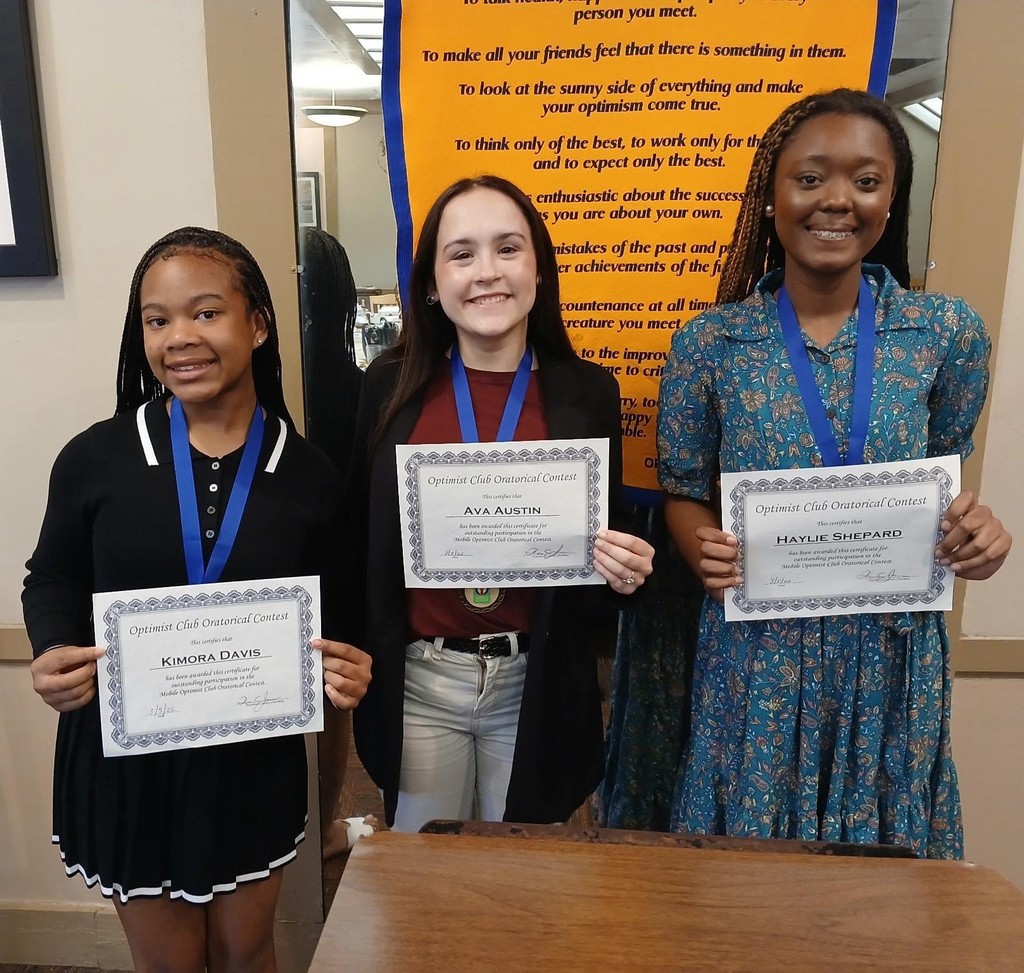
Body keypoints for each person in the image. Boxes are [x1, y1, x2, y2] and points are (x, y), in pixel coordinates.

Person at [658, 89, 1011, 858]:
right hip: (758, 660)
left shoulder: (942, 334)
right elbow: (683, 489)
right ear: (773, 193)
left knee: (878, 899)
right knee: (748, 889)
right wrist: (698, 544)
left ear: (892, 198)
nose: (837, 201)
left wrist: (976, 535)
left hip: (888, 658)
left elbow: (944, 476)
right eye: (811, 178)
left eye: (867, 180)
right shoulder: (711, 343)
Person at [23, 227, 372, 972]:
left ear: (258, 323)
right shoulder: (96, 457)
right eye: (157, 319)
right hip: (130, 759)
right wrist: (52, 648)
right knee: (171, 964)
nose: (180, 337)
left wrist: (345, 667)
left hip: (250, 759)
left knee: (247, 951)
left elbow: (333, 612)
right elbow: (51, 576)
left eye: (206, 313)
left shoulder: (308, 473)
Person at [348, 175, 654, 831]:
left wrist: (624, 572)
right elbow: (356, 538)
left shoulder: (587, 393)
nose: (486, 272)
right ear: (432, 283)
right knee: (429, 888)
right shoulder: (387, 389)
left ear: (538, 269)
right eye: (461, 254)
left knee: (526, 893)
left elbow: (595, 574)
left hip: (535, 685)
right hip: (421, 682)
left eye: (508, 248)